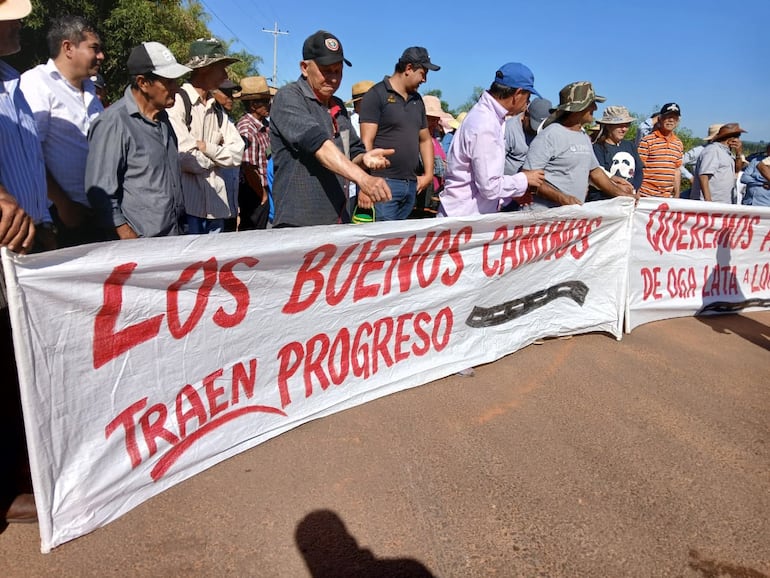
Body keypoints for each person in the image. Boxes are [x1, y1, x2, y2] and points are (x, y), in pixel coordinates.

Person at [0, 0, 57, 525]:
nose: (17, 21)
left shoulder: (9, 79)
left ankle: (20, 475)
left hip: (26, 240)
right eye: (7, 14)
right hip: (1, 242)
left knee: (20, 366)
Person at [268, 30, 392, 227]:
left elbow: (353, 151)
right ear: (304, 67)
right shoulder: (289, 98)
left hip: (337, 218)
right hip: (298, 223)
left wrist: (364, 159)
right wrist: (364, 179)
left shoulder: (338, 105)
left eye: (338, 71)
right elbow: (319, 147)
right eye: (326, 71)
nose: (334, 79)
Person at [86, 42, 190, 238]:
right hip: (139, 251)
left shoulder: (163, 121)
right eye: (168, 82)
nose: (176, 88)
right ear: (143, 83)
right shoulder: (114, 122)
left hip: (174, 241)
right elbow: (101, 194)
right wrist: (129, 238)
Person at [20, 14, 105, 246]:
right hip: (62, 218)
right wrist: (62, 203)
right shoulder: (36, 84)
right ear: (68, 47)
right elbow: (29, 153)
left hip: (95, 213)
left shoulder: (91, 90)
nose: (101, 56)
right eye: (94, 48)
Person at [439, 62, 544, 217]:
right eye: (527, 97)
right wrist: (525, 179)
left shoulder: (487, 117)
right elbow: (489, 187)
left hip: (465, 214)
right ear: (518, 94)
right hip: (464, 218)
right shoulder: (485, 124)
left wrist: (510, 196)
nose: (526, 104)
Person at [167, 38, 244, 234]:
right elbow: (185, 157)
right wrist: (217, 159)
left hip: (216, 207)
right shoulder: (178, 101)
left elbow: (237, 153)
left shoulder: (217, 108)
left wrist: (205, 147)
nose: (225, 74)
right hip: (187, 207)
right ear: (204, 69)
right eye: (221, 67)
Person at [523, 81, 634, 210]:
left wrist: (622, 195)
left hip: (570, 217)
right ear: (579, 107)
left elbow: (595, 173)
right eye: (591, 104)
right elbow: (528, 178)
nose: (595, 108)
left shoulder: (583, 137)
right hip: (544, 218)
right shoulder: (550, 135)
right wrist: (562, 198)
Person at [359, 46, 439, 221]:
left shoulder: (418, 101)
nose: (424, 79)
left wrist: (428, 175)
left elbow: (425, 140)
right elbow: (366, 143)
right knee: (382, 243)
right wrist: (365, 184)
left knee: (398, 244)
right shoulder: (377, 94)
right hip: (383, 184)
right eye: (423, 73)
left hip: (411, 185)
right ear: (408, 69)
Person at [235, 75, 273, 230]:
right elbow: (248, 166)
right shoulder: (247, 128)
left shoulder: (265, 125)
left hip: (264, 191)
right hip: (254, 194)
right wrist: (262, 195)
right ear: (253, 105)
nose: (269, 104)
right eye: (264, 101)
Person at [587, 106, 643, 201]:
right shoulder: (597, 148)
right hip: (604, 200)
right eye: (620, 125)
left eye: (627, 125)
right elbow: (598, 175)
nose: (624, 129)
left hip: (628, 198)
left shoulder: (630, 146)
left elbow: (639, 171)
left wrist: (633, 189)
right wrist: (618, 188)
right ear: (608, 126)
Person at [690, 123, 747, 204]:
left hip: (723, 201)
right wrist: (708, 201)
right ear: (731, 139)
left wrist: (738, 153)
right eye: (737, 137)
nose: (739, 140)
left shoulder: (727, 153)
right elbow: (703, 176)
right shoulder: (713, 150)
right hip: (712, 202)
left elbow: (737, 170)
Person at [637, 103, 684, 198]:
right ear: (660, 119)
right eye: (668, 117)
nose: (671, 120)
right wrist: (636, 191)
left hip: (666, 197)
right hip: (645, 195)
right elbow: (638, 167)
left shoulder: (678, 143)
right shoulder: (647, 140)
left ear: (678, 121)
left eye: (674, 117)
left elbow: (676, 170)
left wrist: (677, 193)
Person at [212, 78, 241, 232]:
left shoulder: (228, 121)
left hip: (230, 200)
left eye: (232, 94)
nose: (230, 98)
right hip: (215, 200)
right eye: (226, 94)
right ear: (213, 92)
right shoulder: (210, 120)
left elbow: (237, 152)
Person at [413, 94, 447, 217]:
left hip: (432, 198)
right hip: (421, 199)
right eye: (430, 119)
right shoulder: (416, 139)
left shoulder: (435, 140)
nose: (434, 122)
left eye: (436, 118)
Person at [504, 97, 552, 176]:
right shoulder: (508, 129)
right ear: (526, 114)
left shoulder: (546, 132)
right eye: (533, 125)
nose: (535, 131)